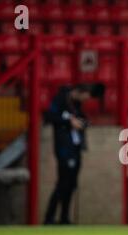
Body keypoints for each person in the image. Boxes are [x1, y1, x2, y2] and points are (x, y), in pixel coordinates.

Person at [43, 84, 100, 225]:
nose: (85, 101)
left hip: (75, 148)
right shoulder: (61, 99)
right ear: (80, 92)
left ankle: (64, 217)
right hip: (64, 147)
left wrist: (83, 123)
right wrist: (69, 122)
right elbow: (50, 116)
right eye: (85, 97)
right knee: (62, 182)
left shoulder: (76, 105)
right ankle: (49, 218)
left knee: (71, 184)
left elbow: (81, 119)